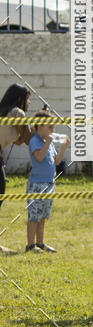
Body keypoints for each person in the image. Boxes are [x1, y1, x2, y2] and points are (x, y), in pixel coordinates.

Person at [26, 111, 70, 253]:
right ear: (40, 127)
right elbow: (39, 157)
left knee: (43, 216)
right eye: (50, 127)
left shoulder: (48, 142)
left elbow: (57, 161)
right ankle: (30, 245)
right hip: (37, 184)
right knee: (34, 216)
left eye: (54, 128)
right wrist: (49, 142)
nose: (53, 130)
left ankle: (40, 243)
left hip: (49, 184)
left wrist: (63, 147)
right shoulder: (35, 141)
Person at [0, 84, 33, 255]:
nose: (28, 102)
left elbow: (18, 141)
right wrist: (40, 123)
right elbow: (27, 139)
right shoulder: (17, 113)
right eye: (27, 99)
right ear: (20, 98)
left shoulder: (4, 111)